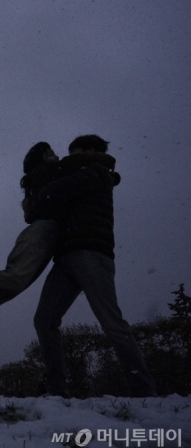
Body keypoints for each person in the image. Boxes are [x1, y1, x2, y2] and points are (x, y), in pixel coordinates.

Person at [0, 142, 116, 351]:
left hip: (52, 240)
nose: (55, 156)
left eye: (53, 152)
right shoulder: (49, 172)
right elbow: (76, 168)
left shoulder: (51, 174)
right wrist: (104, 161)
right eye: (48, 153)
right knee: (15, 280)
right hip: (44, 230)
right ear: (38, 161)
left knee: (12, 287)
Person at [28, 134, 156, 398]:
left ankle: (144, 391)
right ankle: (56, 391)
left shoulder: (96, 172)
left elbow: (51, 195)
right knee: (44, 320)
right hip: (67, 257)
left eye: (73, 152)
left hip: (89, 254)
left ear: (89, 151)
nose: (67, 157)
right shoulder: (87, 173)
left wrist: (38, 179)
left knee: (110, 322)